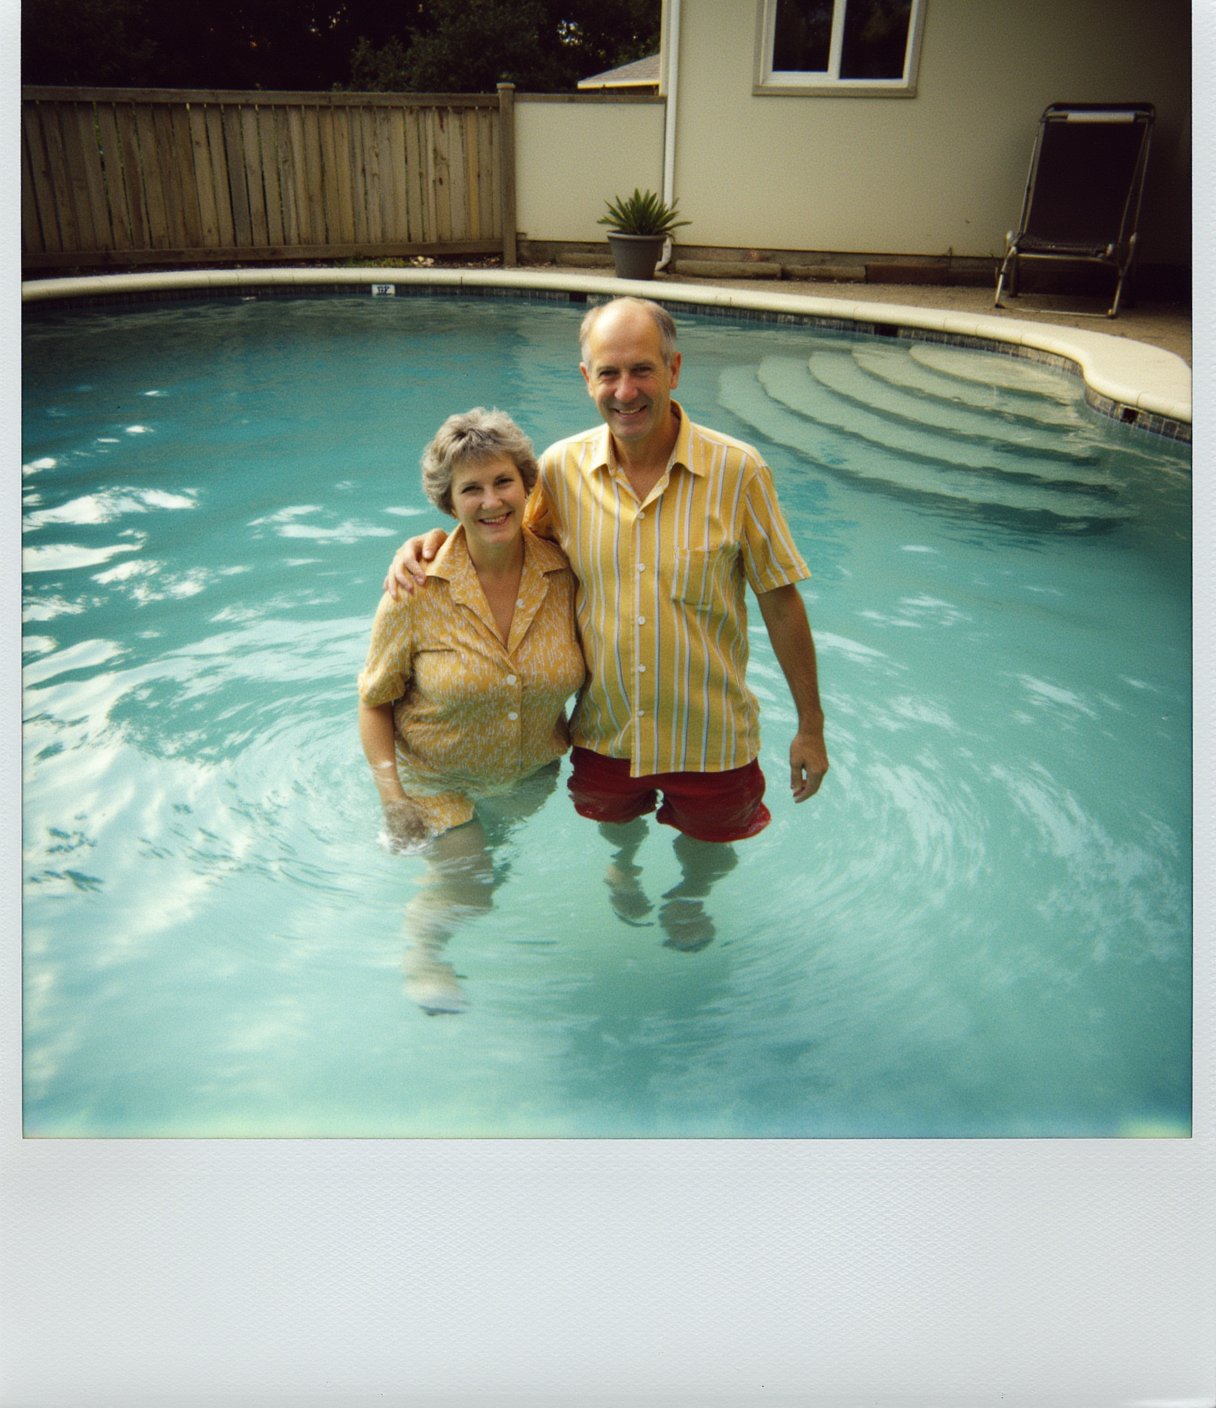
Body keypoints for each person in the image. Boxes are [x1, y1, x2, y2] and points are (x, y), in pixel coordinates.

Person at [384, 297, 828, 951]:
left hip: (712, 737)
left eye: (642, 370)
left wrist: (811, 729)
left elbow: (781, 601)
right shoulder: (562, 472)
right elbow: (501, 539)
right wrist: (425, 542)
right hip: (606, 733)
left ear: (675, 369)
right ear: (585, 379)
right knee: (615, 823)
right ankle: (624, 864)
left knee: (712, 843)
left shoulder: (739, 473)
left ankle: (691, 893)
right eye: (608, 373)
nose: (626, 392)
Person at [359, 408, 586, 1011]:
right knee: (473, 889)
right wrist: (392, 798)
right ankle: (422, 953)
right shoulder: (416, 587)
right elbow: (373, 700)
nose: (491, 501)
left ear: (526, 483)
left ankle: (446, 905)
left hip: (529, 773)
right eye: (471, 489)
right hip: (436, 777)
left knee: (489, 868)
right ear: (448, 502)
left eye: (503, 481)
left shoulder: (564, 572)